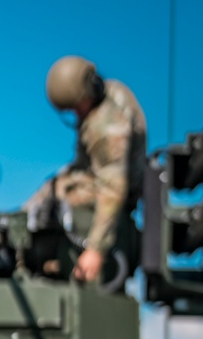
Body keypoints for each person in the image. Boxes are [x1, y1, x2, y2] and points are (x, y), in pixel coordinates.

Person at [25, 55, 146, 284]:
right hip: (100, 179)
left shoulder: (105, 127)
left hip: (111, 193)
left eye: (76, 108)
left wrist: (95, 250)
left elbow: (113, 186)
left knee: (55, 198)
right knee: (51, 187)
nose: (77, 115)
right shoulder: (112, 92)